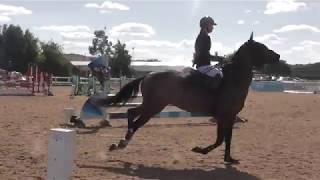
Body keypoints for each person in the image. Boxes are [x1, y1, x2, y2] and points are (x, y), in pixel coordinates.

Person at [193, 16, 223, 89]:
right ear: (206, 25)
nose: (212, 27)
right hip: (203, 66)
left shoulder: (201, 36)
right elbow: (205, 55)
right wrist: (219, 58)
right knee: (219, 74)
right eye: (211, 25)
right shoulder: (205, 37)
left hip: (202, 65)